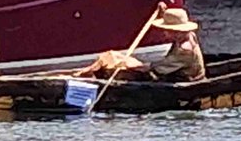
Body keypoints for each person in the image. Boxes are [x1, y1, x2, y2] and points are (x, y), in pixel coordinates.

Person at [74, 5, 206, 83]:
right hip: (170, 73)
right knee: (112, 56)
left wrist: (133, 67)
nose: (165, 33)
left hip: (184, 80)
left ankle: (87, 75)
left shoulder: (185, 50)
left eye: (167, 30)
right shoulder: (189, 35)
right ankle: (84, 73)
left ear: (175, 31)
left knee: (119, 68)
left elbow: (156, 69)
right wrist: (162, 12)